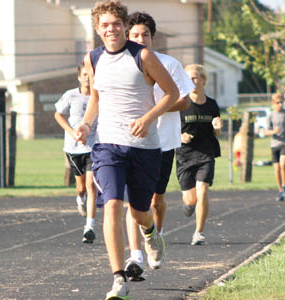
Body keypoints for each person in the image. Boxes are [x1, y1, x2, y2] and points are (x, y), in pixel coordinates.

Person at [74, 1, 180, 298]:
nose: (111, 29)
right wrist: (85, 124)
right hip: (107, 144)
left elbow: (172, 93)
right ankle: (118, 279)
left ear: (124, 25)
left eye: (116, 24)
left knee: (139, 212)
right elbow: (96, 97)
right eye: (105, 25)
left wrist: (148, 119)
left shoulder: (142, 55)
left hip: (144, 147)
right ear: (97, 29)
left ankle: (150, 233)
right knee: (112, 205)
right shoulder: (93, 58)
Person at [123, 11, 195, 281]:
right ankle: (135, 254)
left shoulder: (169, 63)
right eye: (135, 35)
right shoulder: (121, 64)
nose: (140, 39)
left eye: (145, 35)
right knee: (133, 201)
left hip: (163, 141)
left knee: (155, 199)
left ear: (153, 37)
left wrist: (153, 110)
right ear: (127, 36)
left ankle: (157, 237)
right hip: (130, 141)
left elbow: (185, 101)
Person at [53, 62, 98, 244]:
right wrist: (72, 132)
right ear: (79, 77)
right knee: (81, 188)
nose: (88, 78)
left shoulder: (99, 96)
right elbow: (58, 115)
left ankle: (90, 226)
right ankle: (80, 198)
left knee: (91, 185)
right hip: (73, 148)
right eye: (84, 75)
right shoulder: (70, 95)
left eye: (91, 75)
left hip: (94, 147)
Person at [178, 64, 222, 246]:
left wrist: (218, 129)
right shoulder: (181, 103)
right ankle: (189, 206)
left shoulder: (212, 104)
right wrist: (181, 136)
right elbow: (170, 128)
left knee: (203, 190)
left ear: (203, 80)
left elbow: (216, 131)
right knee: (190, 199)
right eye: (188, 78)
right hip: (185, 155)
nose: (192, 81)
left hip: (206, 153)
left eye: (195, 78)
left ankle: (199, 233)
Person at [266, 93, 285, 201]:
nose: (280, 105)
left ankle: (284, 186)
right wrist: (273, 131)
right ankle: (280, 190)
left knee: (283, 163)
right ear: (273, 103)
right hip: (274, 144)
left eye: (281, 102)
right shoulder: (270, 115)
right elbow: (266, 131)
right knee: (277, 168)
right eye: (277, 103)